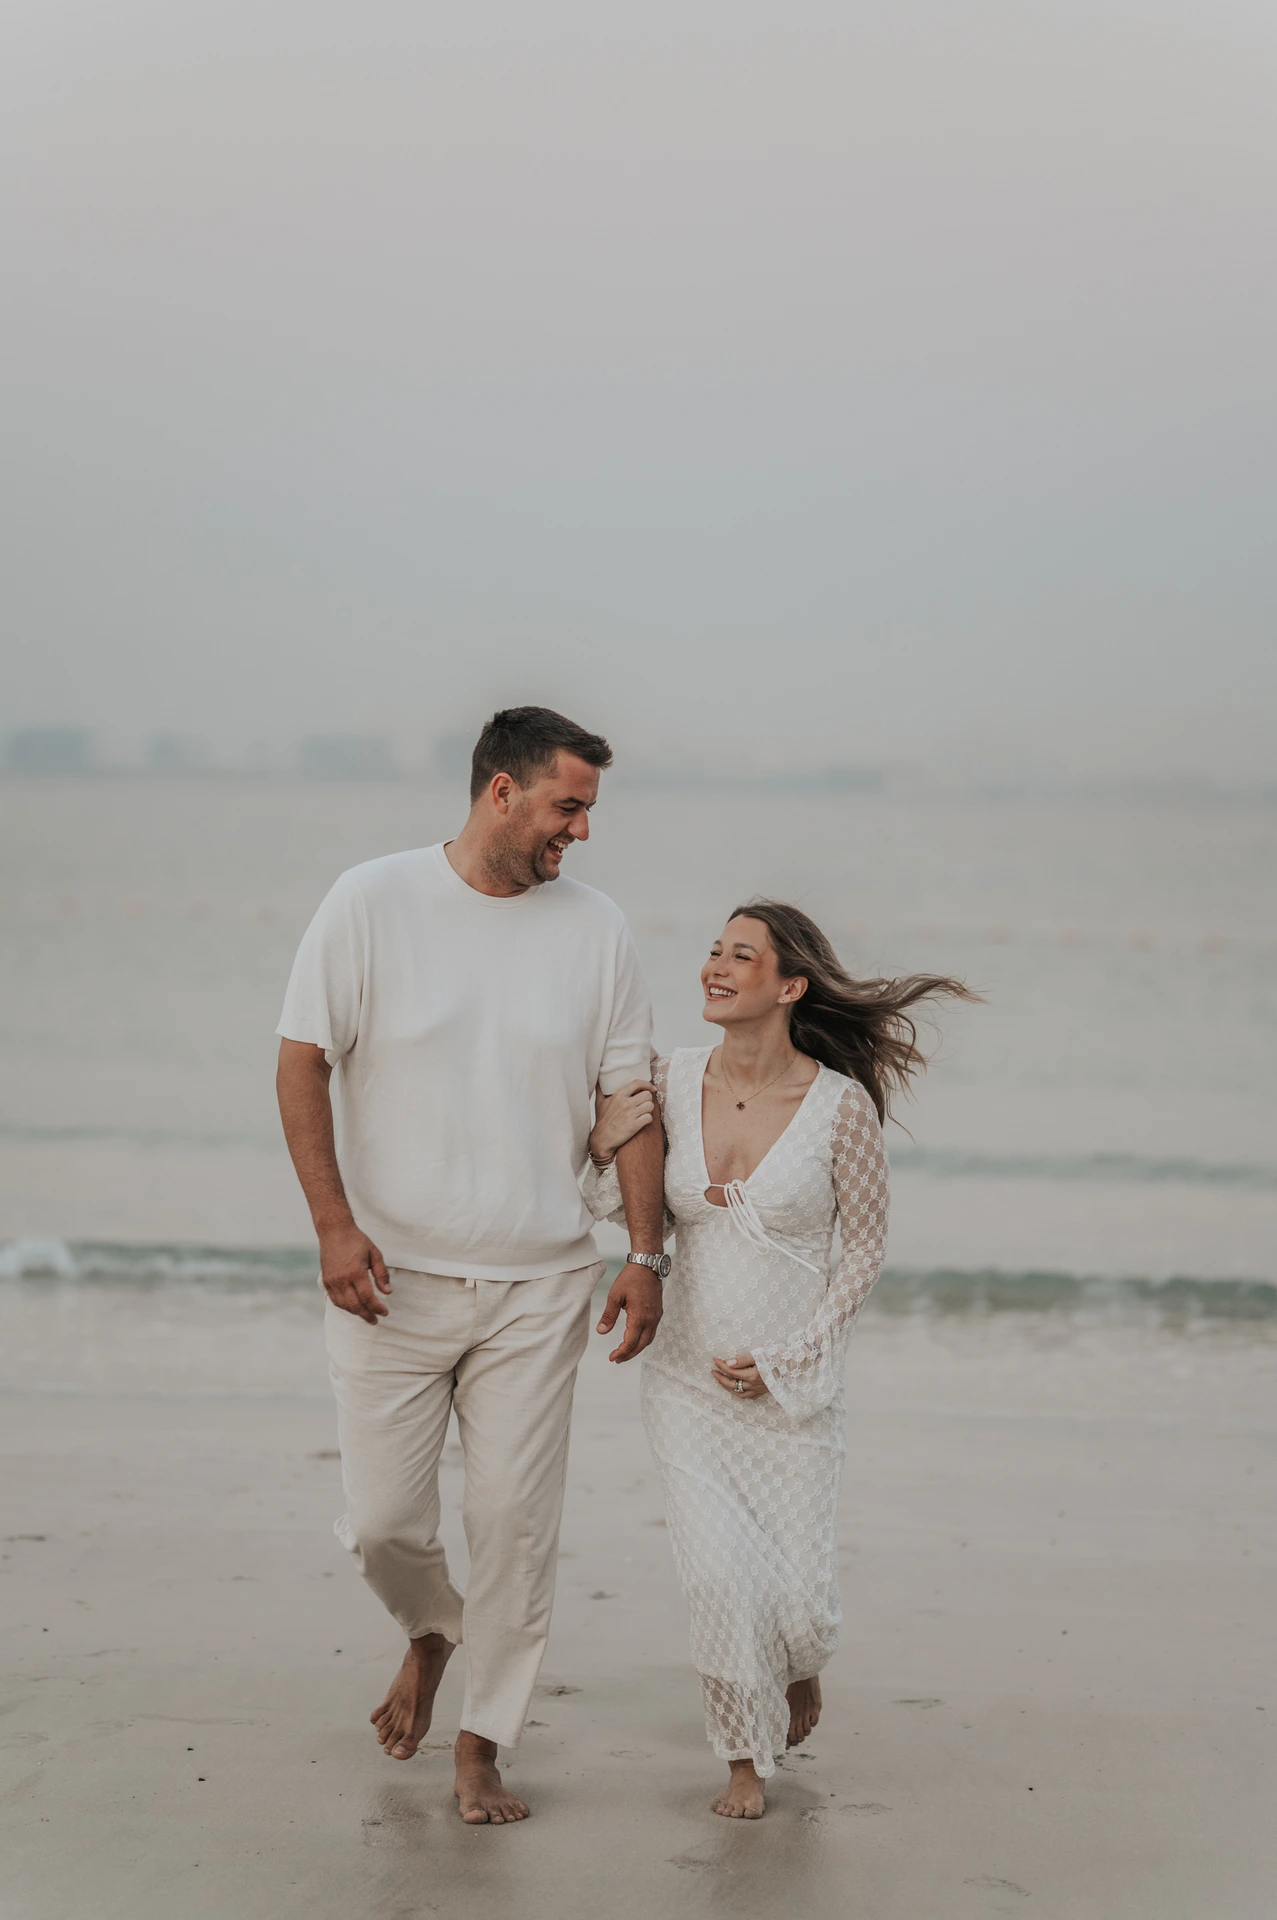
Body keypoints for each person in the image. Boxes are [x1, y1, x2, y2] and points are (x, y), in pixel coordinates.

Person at [275, 707, 666, 1825]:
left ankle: (482, 1742)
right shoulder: (370, 901)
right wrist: (331, 1224)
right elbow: (302, 1064)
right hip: (387, 1281)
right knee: (386, 1521)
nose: (582, 831)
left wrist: (641, 1253)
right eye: (568, 806)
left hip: (542, 1285)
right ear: (501, 792)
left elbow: (627, 1099)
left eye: (588, 808)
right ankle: (431, 1627)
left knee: (512, 1525)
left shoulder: (597, 930)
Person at [584, 900, 974, 1818]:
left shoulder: (838, 1109)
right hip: (684, 1378)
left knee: (800, 1609)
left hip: (792, 1394)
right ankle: (743, 1759)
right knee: (718, 1578)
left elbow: (864, 1252)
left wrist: (795, 1353)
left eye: (741, 956)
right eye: (714, 951)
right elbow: (618, 1204)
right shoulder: (667, 1078)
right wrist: (604, 1146)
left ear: (789, 986)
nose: (715, 966)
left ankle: (801, 1668)